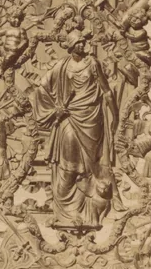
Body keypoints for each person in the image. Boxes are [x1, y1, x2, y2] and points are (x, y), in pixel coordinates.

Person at [28, 29, 118, 227]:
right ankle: (65, 213)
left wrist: (116, 118)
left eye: (83, 42)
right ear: (70, 46)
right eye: (78, 42)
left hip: (91, 120)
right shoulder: (62, 65)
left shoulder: (93, 63)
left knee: (90, 166)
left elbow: (106, 91)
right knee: (68, 165)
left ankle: (90, 210)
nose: (82, 45)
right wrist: (54, 110)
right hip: (69, 118)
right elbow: (42, 87)